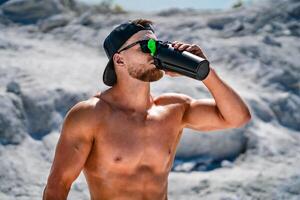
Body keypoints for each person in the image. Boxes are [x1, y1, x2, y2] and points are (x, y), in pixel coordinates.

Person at [43, 18, 251, 200]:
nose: (154, 51)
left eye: (157, 45)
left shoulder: (173, 109)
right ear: (119, 59)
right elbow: (58, 187)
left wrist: (205, 71)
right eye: (146, 45)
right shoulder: (90, 115)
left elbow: (238, 118)